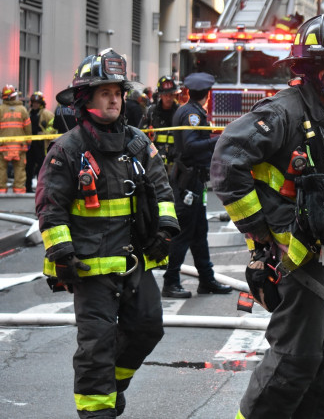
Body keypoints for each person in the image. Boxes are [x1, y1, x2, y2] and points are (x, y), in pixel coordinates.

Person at [212, 12, 324, 418]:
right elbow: (226, 163)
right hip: (301, 262)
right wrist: (263, 233)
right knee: (294, 364)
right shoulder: (283, 113)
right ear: (321, 71)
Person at [34, 48, 179, 418]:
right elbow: (51, 208)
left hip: (134, 264)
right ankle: (97, 411)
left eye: (118, 92)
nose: (114, 99)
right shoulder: (67, 150)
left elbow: (162, 193)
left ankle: (112, 386)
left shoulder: (138, 144)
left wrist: (165, 230)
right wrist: (62, 255)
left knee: (148, 328)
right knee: (95, 346)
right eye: (105, 92)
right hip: (88, 268)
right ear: (86, 99)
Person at [162, 72, 232, 298]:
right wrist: (218, 139)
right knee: (183, 233)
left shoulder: (189, 111)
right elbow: (191, 145)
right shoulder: (191, 114)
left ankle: (206, 280)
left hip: (195, 181)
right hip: (188, 181)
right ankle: (171, 281)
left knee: (199, 232)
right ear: (208, 94)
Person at [139, 76, 180, 171]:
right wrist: (152, 154)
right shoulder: (151, 112)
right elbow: (141, 134)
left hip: (175, 161)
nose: (168, 98)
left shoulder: (180, 112)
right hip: (155, 161)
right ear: (160, 95)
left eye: (171, 94)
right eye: (165, 95)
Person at [0, 84, 31, 194]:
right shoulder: (22, 109)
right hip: (20, 147)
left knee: (1, 170)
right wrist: (29, 142)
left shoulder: (0, 109)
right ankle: (19, 192)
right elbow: (28, 128)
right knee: (19, 171)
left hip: (2, 147)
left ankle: (1, 191)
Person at [26, 91, 54, 192]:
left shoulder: (47, 114)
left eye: (37, 102)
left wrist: (44, 133)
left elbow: (53, 127)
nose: (35, 104)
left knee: (41, 167)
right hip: (30, 145)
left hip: (41, 145)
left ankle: (41, 189)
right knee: (29, 167)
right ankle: (27, 188)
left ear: (41, 103)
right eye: (33, 102)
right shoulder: (28, 113)